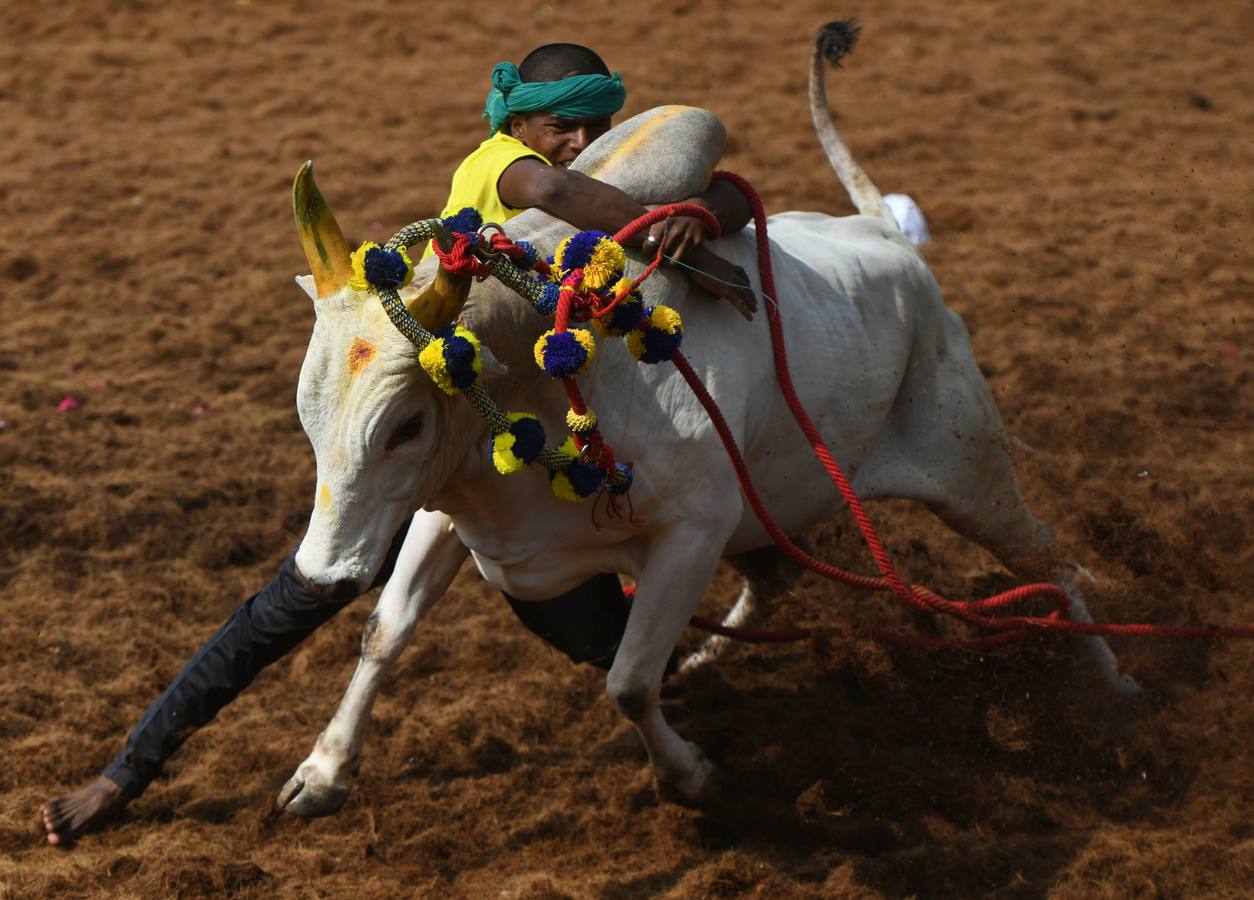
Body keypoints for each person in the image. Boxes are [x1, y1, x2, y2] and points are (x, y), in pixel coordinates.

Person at [41, 42, 754, 847]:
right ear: (515, 119)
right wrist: (666, 234)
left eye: (599, 125)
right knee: (296, 602)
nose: (579, 142)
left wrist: (706, 213)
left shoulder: (582, 186)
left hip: (498, 435)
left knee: (604, 641)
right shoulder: (506, 167)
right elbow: (559, 189)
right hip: (418, 421)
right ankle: (124, 773)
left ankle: (643, 638)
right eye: (563, 125)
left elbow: (714, 191)